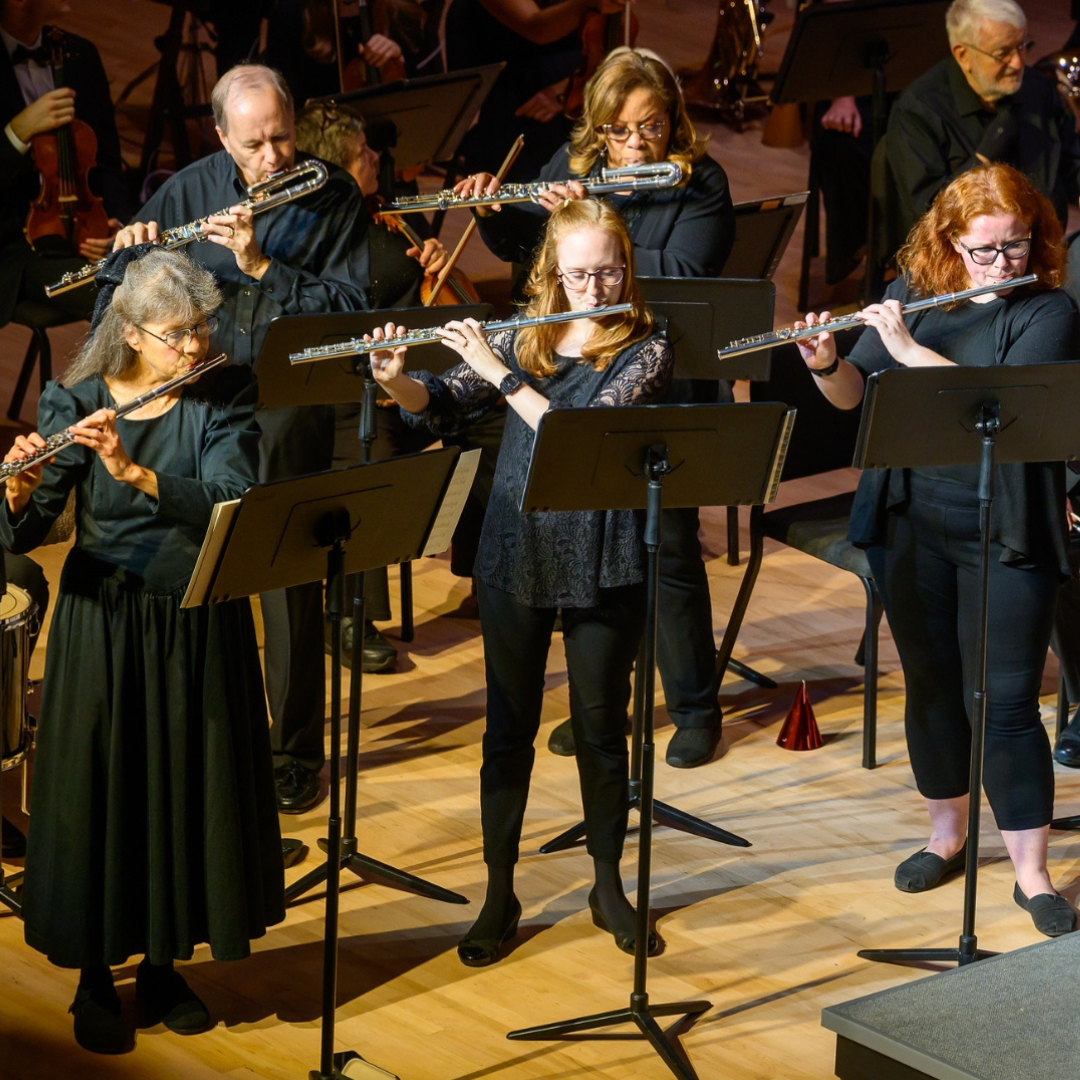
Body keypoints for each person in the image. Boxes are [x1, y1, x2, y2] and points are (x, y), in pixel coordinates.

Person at [370, 198, 672, 964]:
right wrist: (398, 381)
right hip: (516, 543)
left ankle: (608, 884)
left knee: (603, 731)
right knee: (507, 730)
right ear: (551, 273)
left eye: (607, 270)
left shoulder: (646, 343)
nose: (595, 287)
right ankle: (499, 891)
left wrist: (498, 373)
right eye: (577, 274)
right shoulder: (528, 334)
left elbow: (579, 434)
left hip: (603, 550)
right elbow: (435, 409)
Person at [0, 246, 284, 1053]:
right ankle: (95, 976)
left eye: (200, 329)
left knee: (186, 790)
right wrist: (20, 489)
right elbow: (31, 524)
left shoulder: (223, 390)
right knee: (105, 793)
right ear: (129, 331)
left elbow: (233, 495)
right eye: (175, 334)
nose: (193, 347)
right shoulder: (76, 397)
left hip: (195, 612)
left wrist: (136, 472)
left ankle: (163, 964)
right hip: (106, 622)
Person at [795, 162, 1078, 938]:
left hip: (1006, 524)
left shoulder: (1049, 310)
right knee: (931, 684)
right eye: (985, 250)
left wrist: (910, 349)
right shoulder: (912, 295)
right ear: (952, 243)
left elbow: (1003, 407)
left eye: (1016, 246)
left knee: (1010, 702)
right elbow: (855, 394)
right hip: (911, 518)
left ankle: (1033, 877)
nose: (1001, 264)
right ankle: (946, 838)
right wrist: (829, 362)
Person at [459, 46, 735, 768]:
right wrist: (496, 215)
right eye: (620, 131)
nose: (637, 143)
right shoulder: (570, 164)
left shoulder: (699, 181)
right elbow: (538, 257)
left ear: (671, 120)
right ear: (598, 129)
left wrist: (600, 221)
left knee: (668, 546)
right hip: (580, 379)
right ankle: (603, 705)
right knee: (600, 550)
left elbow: (683, 270)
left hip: (663, 374)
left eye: (650, 126)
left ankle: (696, 706)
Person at [113, 63, 371, 814]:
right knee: (189, 566)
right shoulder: (188, 190)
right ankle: (199, 735)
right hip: (204, 395)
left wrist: (260, 264)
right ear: (223, 136)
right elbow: (122, 297)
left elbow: (350, 310)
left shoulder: (335, 196)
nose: (272, 158)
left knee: (289, 581)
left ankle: (292, 753)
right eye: (253, 144)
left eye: (281, 139)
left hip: (290, 399)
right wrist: (132, 255)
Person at [885, 0, 1080, 253]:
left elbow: (1071, 162)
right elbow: (930, 214)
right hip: (967, 266)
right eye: (1003, 53)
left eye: (1022, 46)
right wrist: (986, 152)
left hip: (1045, 253)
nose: (1018, 62)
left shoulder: (1037, 89)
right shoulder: (917, 112)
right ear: (962, 54)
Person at [0, 0, 127, 334]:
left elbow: (109, 164)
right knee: (128, 303)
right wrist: (17, 132)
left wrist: (113, 223)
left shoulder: (80, 55)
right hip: (15, 251)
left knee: (163, 282)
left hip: (86, 235)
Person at [445, 0, 628, 183]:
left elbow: (609, 46)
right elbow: (537, 28)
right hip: (518, 109)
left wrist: (571, 86)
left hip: (577, 96)